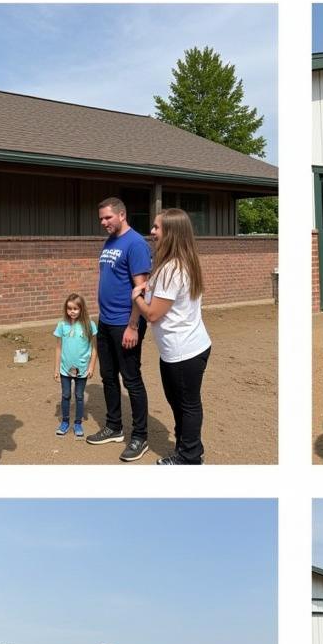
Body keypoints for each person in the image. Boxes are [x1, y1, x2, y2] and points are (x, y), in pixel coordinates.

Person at [133, 208, 212, 464]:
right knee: (183, 403)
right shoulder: (182, 262)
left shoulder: (171, 269)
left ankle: (188, 457)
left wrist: (137, 297)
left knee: (186, 405)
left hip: (182, 351)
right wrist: (149, 288)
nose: (152, 232)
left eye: (157, 228)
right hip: (187, 347)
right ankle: (188, 449)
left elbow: (154, 314)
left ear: (171, 233)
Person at [86, 197, 151, 462]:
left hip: (126, 323)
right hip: (106, 321)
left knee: (131, 379)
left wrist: (133, 325)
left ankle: (140, 436)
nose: (103, 222)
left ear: (122, 215)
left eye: (108, 218)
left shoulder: (135, 243)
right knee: (108, 377)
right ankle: (114, 427)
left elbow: (142, 288)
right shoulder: (110, 241)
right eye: (101, 218)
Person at [53, 293, 97, 438]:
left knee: (79, 396)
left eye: (76, 309)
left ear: (82, 309)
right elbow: (58, 348)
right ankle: (65, 422)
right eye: (69, 308)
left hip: (83, 369)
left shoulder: (89, 325)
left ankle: (77, 423)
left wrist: (91, 367)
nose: (72, 311)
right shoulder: (62, 325)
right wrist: (56, 369)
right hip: (65, 369)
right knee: (66, 395)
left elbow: (94, 348)